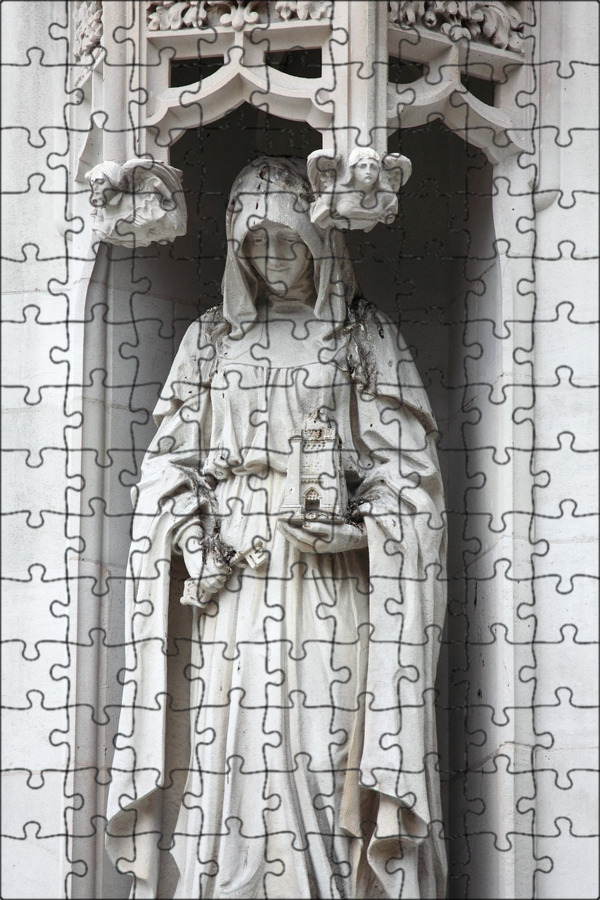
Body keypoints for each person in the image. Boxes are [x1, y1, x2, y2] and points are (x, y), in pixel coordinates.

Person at [106, 156, 447, 899]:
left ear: (320, 241)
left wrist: (359, 533)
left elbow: (410, 478)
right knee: (226, 760)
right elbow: (167, 466)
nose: (273, 258)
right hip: (230, 587)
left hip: (329, 580)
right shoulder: (208, 339)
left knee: (323, 752)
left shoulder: (363, 337)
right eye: (256, 244)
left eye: (287, 241)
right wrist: (192, 542)